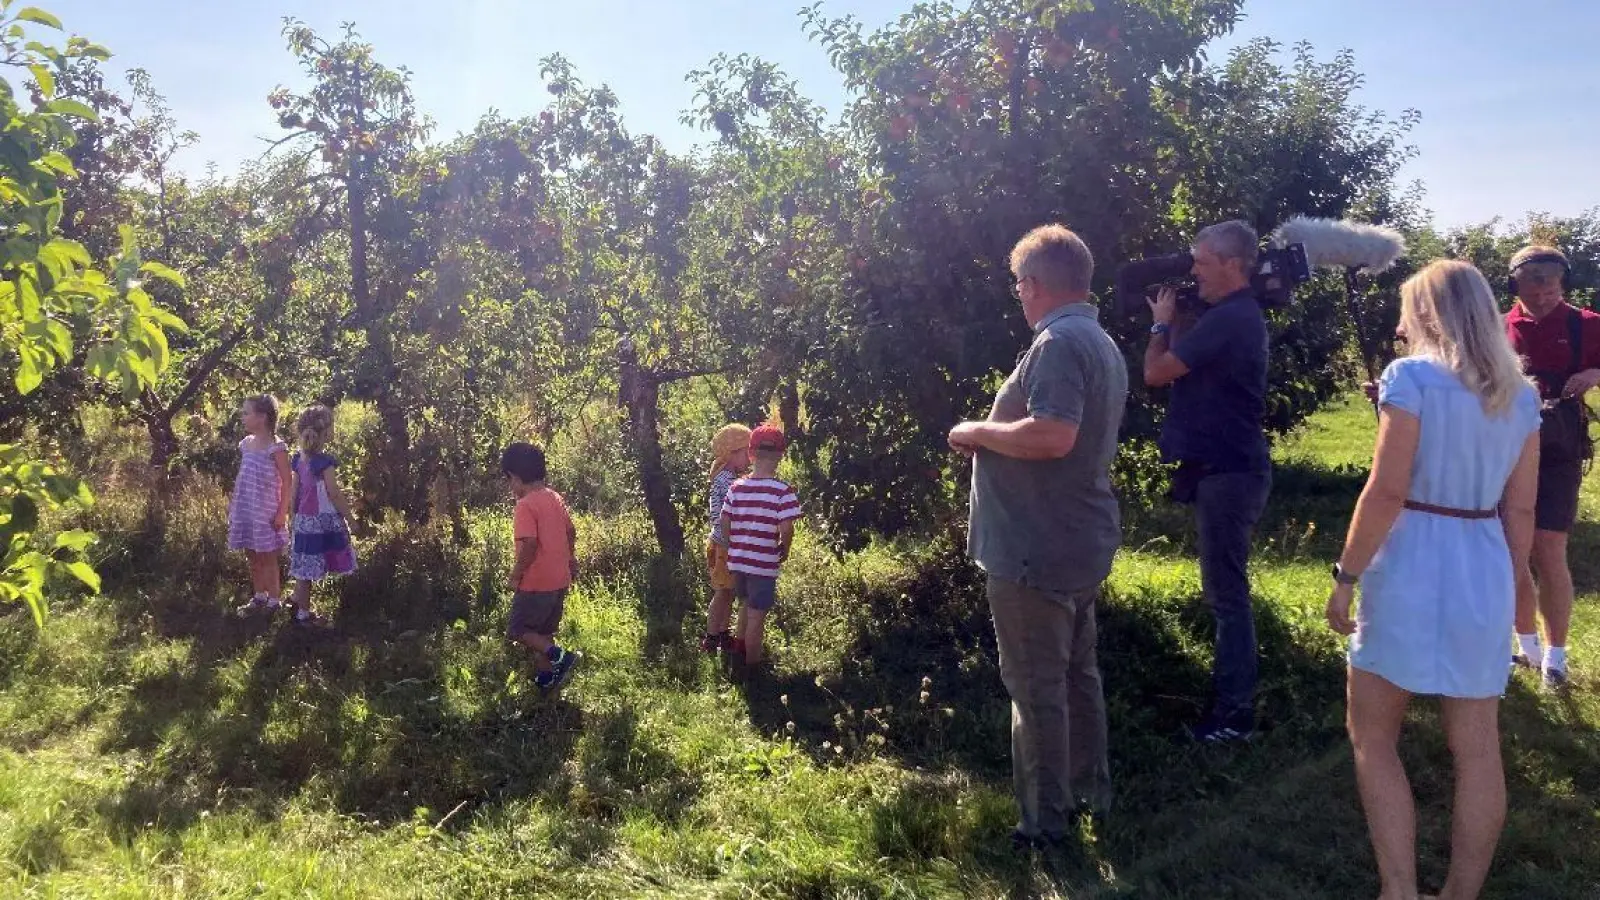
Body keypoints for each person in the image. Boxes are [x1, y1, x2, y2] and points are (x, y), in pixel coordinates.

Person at [1326, 260, 1540, 900]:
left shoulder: (1410, 377)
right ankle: (1459, 895)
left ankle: (1399, 890)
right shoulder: (1521, 394)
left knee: (1373, 736)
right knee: (1477, 748)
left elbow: (1386, 490)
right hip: (1483, 560)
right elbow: (1521, 509)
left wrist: (1345, 575)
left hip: (1410, 563)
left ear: (1424, 313)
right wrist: (1509, 584)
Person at [947, 223, 1127, 849]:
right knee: (1078, 675)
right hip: (1075, 539)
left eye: (1018, 286)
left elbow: (1053, 434)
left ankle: (1045, 826)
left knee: (1036, 687)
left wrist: (975, 429)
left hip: (1036, 549)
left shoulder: (1058, 344)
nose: (1017, 298)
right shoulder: (1096, 339)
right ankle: (1090, 796)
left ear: (1033, 284)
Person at [1143, 220, 1272, 743]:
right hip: (1231, 469)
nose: (1192, 270)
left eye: (1201, 262)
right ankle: (1231, 706)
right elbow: (1186, 364)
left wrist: (1158, 323)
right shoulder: (1230, 317)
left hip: (1229, 472)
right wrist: (1178, 324)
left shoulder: (1232, 318)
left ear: (1233, 265)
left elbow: (1155, 373)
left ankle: (1234, 717)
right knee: (1225, 593)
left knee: (1227, 598)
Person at [1503, 245, 1599, 690]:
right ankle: (1527, 647)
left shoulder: (1586, 324)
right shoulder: (1501, 327)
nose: (1545, 289)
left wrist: (1595, 374)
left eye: (1553, 279)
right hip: (1509, 446)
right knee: (1513, 549)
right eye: (1535, 279)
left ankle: (1556, 659)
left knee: (1548, 546)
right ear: (1516, 282)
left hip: (1561, 447)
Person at [717, 423, 801, 667]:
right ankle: (752, 669)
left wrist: (733, 543)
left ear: (751, 454)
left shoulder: (737, 487)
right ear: (780, 456)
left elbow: (725, 520)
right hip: (763, 565)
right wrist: (784, 548)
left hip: (738, 562)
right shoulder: (782, 491)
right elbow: (786, 528)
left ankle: (738, 650)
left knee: (744, 604)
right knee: (756, 617)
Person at [502, 442, 583, 692]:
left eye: (508, 480)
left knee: (518, 629)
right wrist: (570, 559)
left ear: (515, 477)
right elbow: (571, 531)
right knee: (543, 632)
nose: (509, 487)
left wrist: (515, 576)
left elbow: (530, 544)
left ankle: (559, 656)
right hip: (559, 579)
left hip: (536, 582)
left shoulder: (525, 505)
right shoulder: (554, 497)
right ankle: (547, 678)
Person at [284, 405, 357, 626]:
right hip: (321, 522)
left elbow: (293, 491)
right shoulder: (325, 462)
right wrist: (351, 520)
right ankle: (304, 615)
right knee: (307, 572)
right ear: (326, 433)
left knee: (304, 564)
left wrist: (292, 516)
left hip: (304, 521)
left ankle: (297, 599)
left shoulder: (299, 459)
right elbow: (334, 493)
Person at [230, 395, 293, 616]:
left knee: (267, 557)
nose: (243, 417)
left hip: (266, 512)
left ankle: (274, 601)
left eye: (247, 413)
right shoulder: (246, 444)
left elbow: (287, 481)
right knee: (252, 555)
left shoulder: (277, 448)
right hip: (247, 509)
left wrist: (282, 513)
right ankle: (259, 597)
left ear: (262, 417)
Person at [699, 423, 752, 654]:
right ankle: (710, 637)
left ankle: (722, 634)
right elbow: (721, 516)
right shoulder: (726, 480)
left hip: (726, 544)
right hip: (724, 545)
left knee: (728, 591)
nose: (750, 459)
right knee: (722, 592)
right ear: (733, 453)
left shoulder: (728, 476)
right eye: (746, 453)